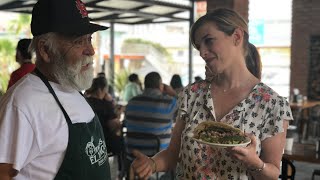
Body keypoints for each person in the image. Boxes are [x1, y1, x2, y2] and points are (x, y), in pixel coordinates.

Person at [131, 8, 293, 179]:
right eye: (199, 46)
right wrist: (152, 164)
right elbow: (172, 154)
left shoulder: (272, 104)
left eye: (209, 41)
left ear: (237, 37)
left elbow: (273, 173)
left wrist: (255, 163)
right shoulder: (192, 94)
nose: (202, 52)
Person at [0, 0, 111, 179]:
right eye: (78, 41)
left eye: (89, 39)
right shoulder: (22, 104)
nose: (90, 50)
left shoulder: (71, 87)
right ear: (45, 49)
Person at [86, 76, 122, 155]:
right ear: (100, 89)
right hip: (103, 142)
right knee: (121, 141)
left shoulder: (85, 101)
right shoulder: (106, 104)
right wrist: (118, 114)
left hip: (87, 141)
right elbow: (115, 126)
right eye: (106, 89)